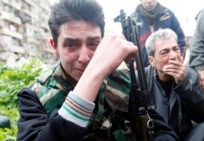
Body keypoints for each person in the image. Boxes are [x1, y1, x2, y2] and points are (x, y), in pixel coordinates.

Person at [16, 0, 178, 140]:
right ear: (55, 46)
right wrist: (95, 73)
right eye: (71, 45)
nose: (85, 58)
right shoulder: (35, 96)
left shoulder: (123, 78)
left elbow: (163, 131)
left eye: (93, 43)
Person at [144, 28, 204, 141]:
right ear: (152, 60)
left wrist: (184, 84)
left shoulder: (191, 75)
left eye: (175, 49)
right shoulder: (142, 80)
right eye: (164, 52)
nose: (173, 56)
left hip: (184, 137)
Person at [132, 0, 186, 67]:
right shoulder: (132, 20)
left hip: (168, 67)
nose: (149, 1)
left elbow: (181, 39)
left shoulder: (168, 15)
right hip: (142, 70)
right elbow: (126, 44)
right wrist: (132, 62)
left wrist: (179, 57)